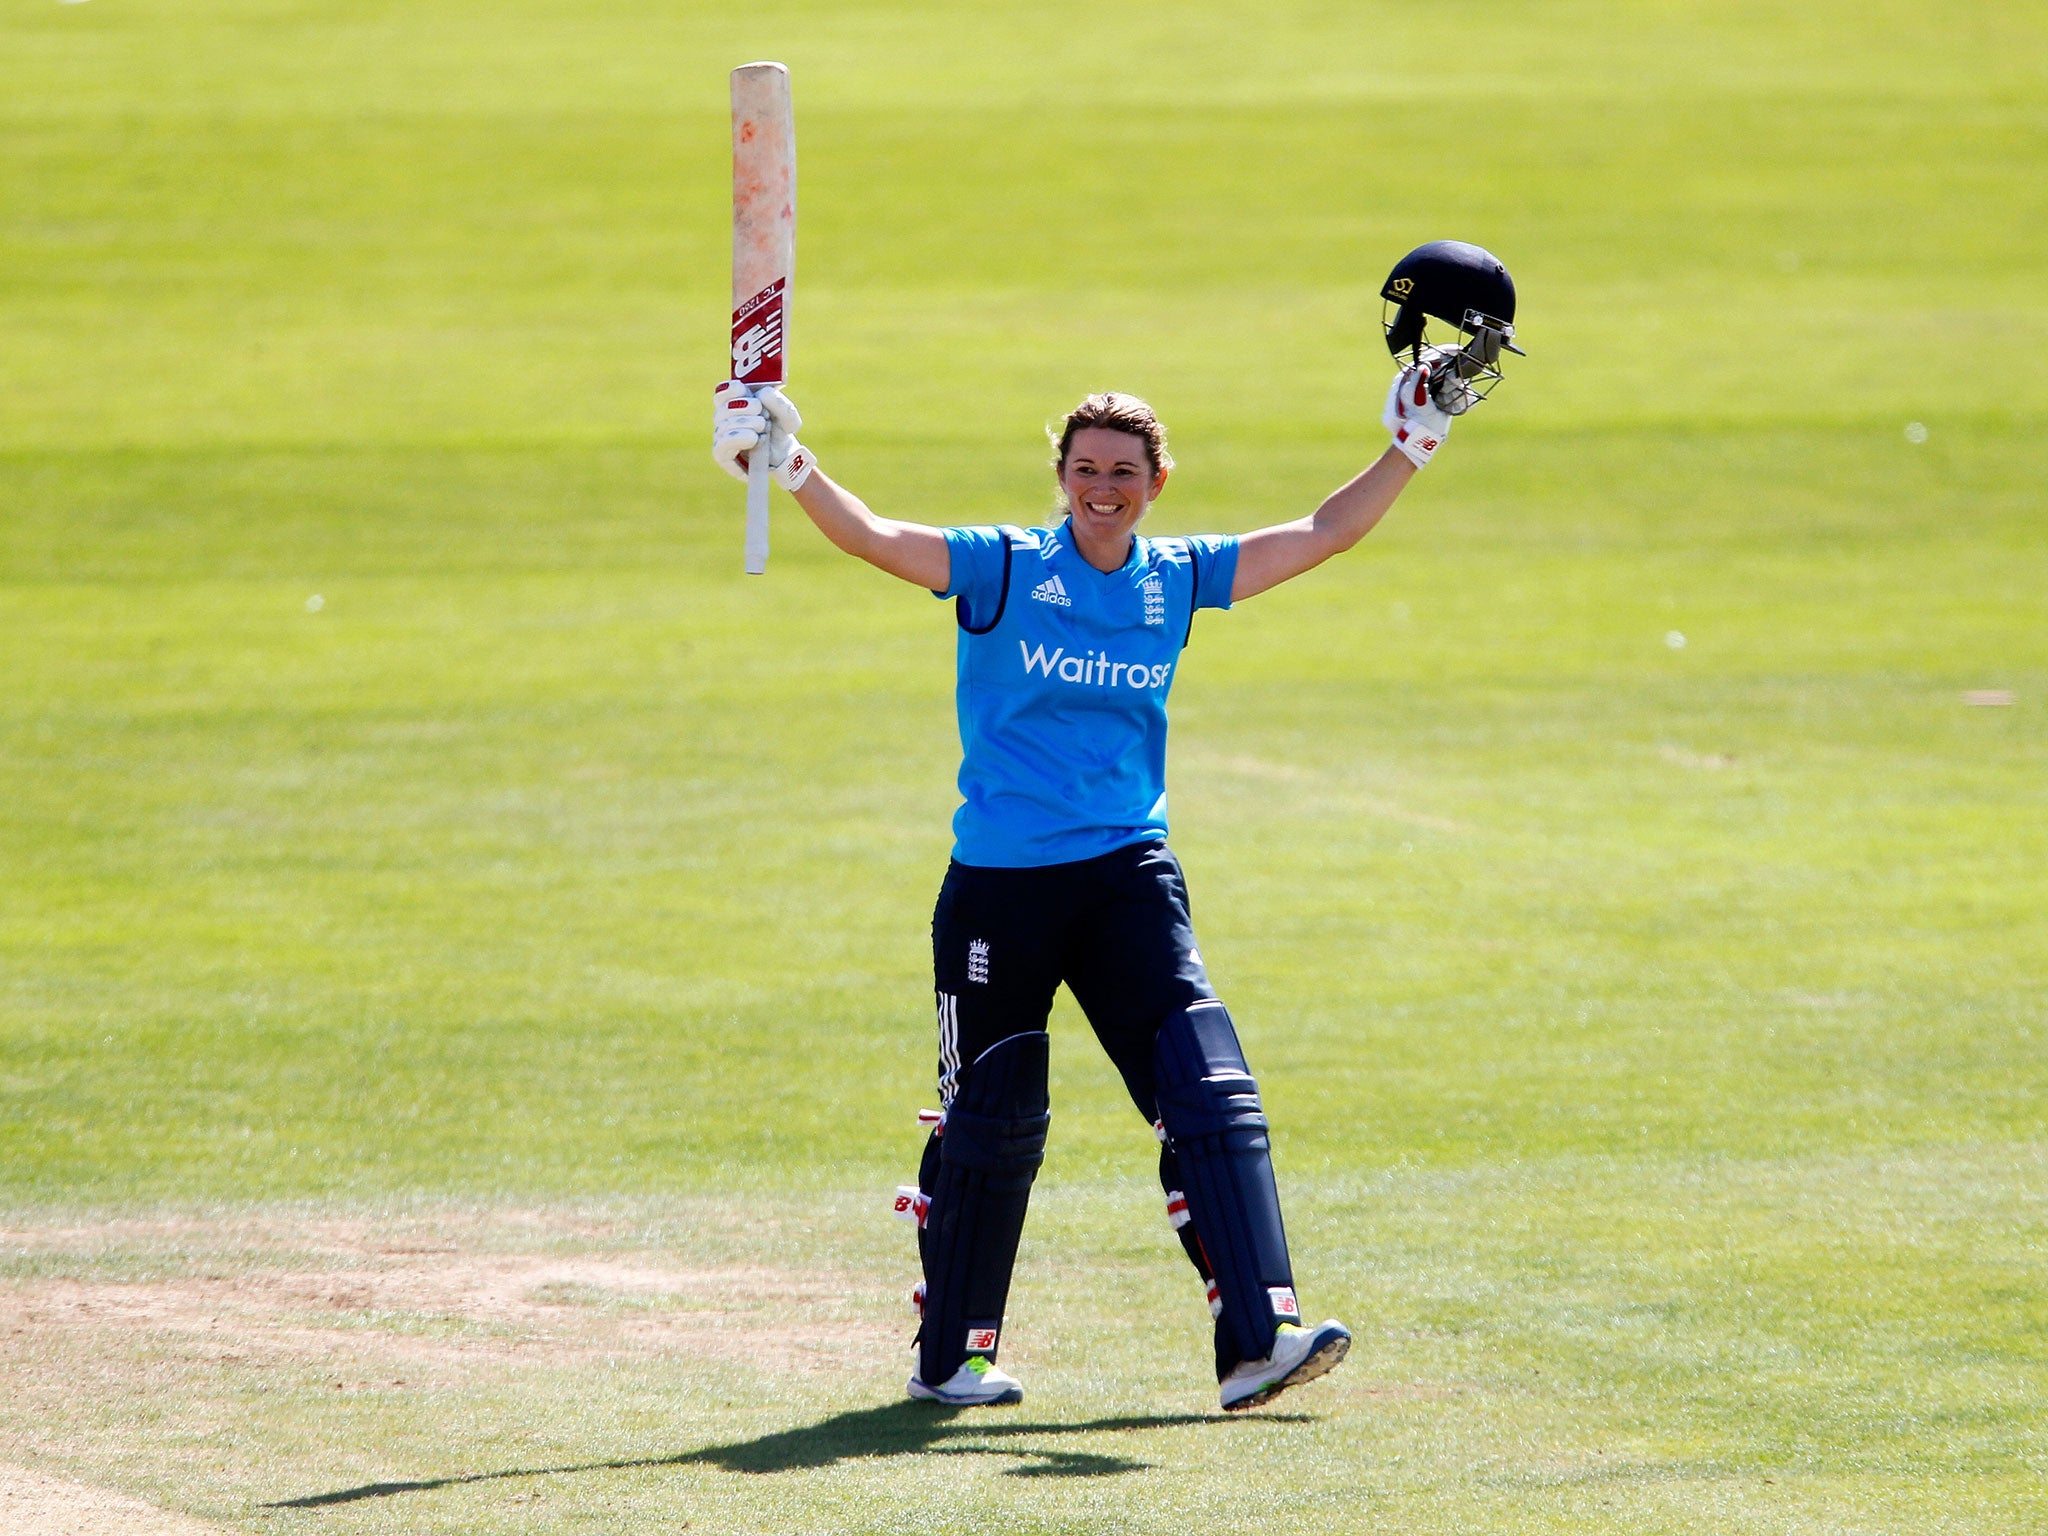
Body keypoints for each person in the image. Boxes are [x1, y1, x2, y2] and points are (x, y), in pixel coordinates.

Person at [711, 366, 1458, 1410]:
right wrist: (789, 461)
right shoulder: (1002, 568)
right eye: (1083, 469)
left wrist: (1413, 442)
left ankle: (1259, 1341)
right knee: (995, 1121)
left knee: (1208, 1087)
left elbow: (1326, 530)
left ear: (1155, 482)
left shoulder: (1174, 577)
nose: (1101, 487)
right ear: (1059, 477)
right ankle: (952, 1358)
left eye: (1122, 471)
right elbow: (874, 537)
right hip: (1000, 890)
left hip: (1125, 879)